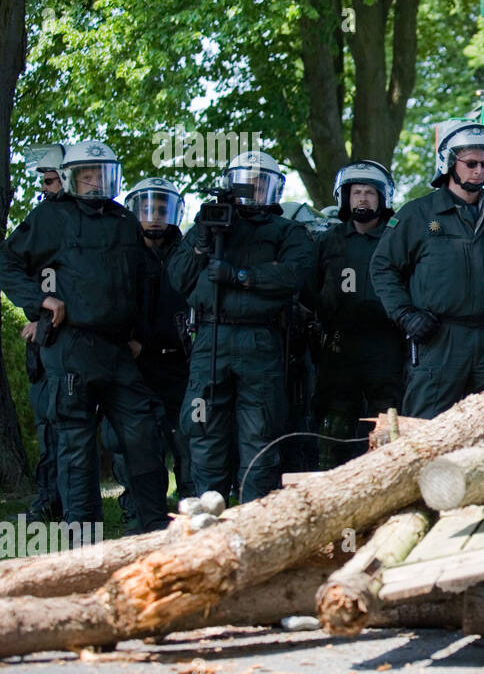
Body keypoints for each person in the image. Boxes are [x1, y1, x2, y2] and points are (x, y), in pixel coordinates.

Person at [0, 140, 169, 532]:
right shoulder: (50, 217)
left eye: (101, 175)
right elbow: (6, 262)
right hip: (70, 346)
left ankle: (154, 530)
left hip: (118, 351)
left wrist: (139, 335)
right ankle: (84, 543)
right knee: (76, 447)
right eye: (87, 175)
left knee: (143, 434)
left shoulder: (124, 219)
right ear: (71, 177)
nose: (95, 182)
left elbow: (144, 281)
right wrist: (40, 300)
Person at [169, 151, 314, 503]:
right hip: (210, 338)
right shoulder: (210, 224)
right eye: (246, 184)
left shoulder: (287, 231)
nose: (253, 192)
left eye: (261, 185)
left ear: (275, 190)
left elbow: (294, 275)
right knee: (204, 428)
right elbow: (178, 279)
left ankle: (253, 517)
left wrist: (241, 276)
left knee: (260, 432)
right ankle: (209, 512)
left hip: (261, 339)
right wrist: (202, 241)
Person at [370, 122, 484, 418]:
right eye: (471, 164)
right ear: (449, 163)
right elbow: (383, 267)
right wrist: (406, 315)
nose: (479, 171)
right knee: (427, 429)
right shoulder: (418, 214)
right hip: (439, 340)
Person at [311, 160, 406, 468]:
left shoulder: (397, 239)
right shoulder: (328, 240)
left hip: (386, 345)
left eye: (369, 193)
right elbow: (308, 289)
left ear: (382, 198)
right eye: (356, 192)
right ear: (345, 197)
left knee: (385, 423)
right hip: (339, 345)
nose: (363, 199)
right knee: (334, 424)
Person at [116, 177, 194, 502]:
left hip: (181, 364)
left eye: (162, 209)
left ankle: (192, 506)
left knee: (189, 437)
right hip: (137, 365)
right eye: (147, 209)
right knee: (136, 440)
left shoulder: (189, 253)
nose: (155, 216)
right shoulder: (121, 253)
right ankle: (141, 510)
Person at [19, 145, 64, 522]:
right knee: (47, 425)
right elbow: (15, 270)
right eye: (43, 182)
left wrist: (46, 321)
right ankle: (49, 499)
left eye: (50, 181)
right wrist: (38, 309)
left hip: (76, 342)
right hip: (42, 347)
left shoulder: (96, 224)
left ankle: (71, 504)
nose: (44, 188)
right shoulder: (38, 224)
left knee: (70, 426)